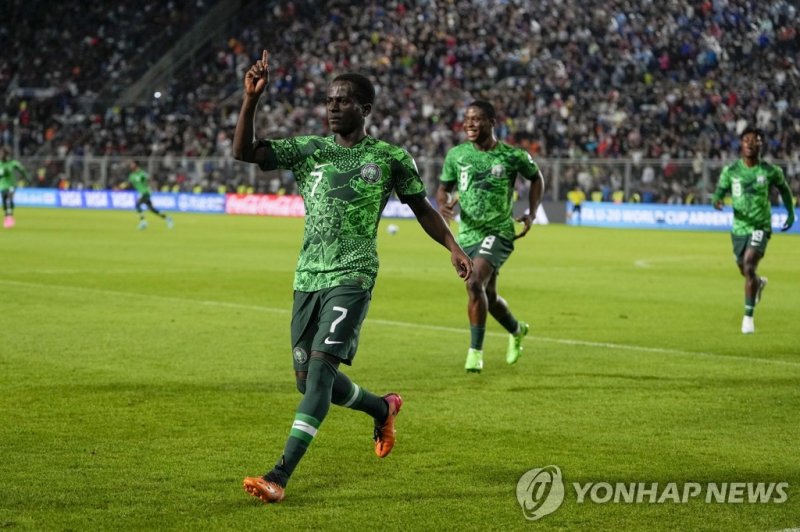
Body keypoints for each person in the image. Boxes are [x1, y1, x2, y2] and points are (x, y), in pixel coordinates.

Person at [233, 50, 472, 504]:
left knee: (321, 374)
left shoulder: (389, 157)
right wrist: (251, 99)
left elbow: (422, 209)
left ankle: (279, 475)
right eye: (329, 101)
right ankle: (382, 408)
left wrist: (454, 247)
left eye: (342, 101)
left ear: (365, 109)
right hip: (308, 276)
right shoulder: (310, 150)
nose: (333, 107)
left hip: (353, 274)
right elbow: (243, 152)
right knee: (307, 381)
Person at [436, 100, 544, 373]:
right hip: (467, 234)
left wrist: (531, 213)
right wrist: (444, 204)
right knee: (489, 296)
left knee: (474, 283)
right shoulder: (457, 155)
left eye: (476, 119)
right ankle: (517, 330)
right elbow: (443, 188)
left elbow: (537, 178)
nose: (469, 124)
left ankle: (475, 353)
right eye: (467, 119)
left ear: (492, 122)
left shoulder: (511, 155)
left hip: (498, 231)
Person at [712, 126, 796, 334]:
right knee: (744, 269)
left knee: (749, 265)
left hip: (760, 226)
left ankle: (748, 318)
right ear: (741, 144)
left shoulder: (770, 171)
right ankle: (758, 283)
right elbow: (719, 192)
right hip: (739, 228)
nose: (750, 143)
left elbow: (785, 190)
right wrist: (717, 200)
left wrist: (791, 213)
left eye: (755, 140)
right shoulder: (731, 171)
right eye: (746, 140)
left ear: (761, 145)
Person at [126, 160, 173, 230]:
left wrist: (151, 186)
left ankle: (143, 222)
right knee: (152, 209)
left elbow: (149, 180)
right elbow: (129, 183)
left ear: (136, 165)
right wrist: (120, 187)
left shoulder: (142, 174)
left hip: (146, 193)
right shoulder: (132, 175)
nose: (131, 166)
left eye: (132, 164)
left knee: (138, 204)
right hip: (141, 193)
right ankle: (167, 218)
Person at [0, 147, 31, 228]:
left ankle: (10, 215)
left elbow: (22, 169)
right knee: (4, 201)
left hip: (11, 185)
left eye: (2, 153)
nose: (1, 155)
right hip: (2, 186)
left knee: (10, 197)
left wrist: (27, 178)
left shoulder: (12, 163)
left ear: (6, 154)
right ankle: (7, 216)